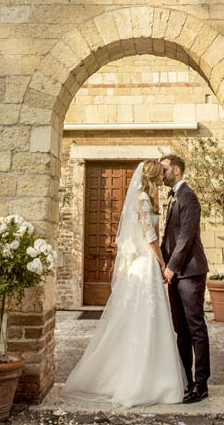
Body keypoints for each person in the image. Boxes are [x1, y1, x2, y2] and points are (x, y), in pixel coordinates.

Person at [64, 160, 186, 406]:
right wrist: (163, 263)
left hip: (147, 263)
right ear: (154, 178)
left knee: (152, 317)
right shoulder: (142, 198)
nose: (164, 177)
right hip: (145, 264)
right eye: (161, 174)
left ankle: (156, 377)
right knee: (143, 317)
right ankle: (136, 379)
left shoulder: (150, 199)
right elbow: (150, 237)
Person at [160, 153, 211, 403]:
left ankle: (201, 383)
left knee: (196, 328)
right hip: (175, 274)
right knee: (181, 329)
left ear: (177, 170)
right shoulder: (174, 197)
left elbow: (186, 237)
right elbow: (169, 237)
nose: (162, 174)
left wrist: (171, 266)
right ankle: (186, 380)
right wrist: (160, 264)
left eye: (165, 169)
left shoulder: (188, 196)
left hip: (190, 271)